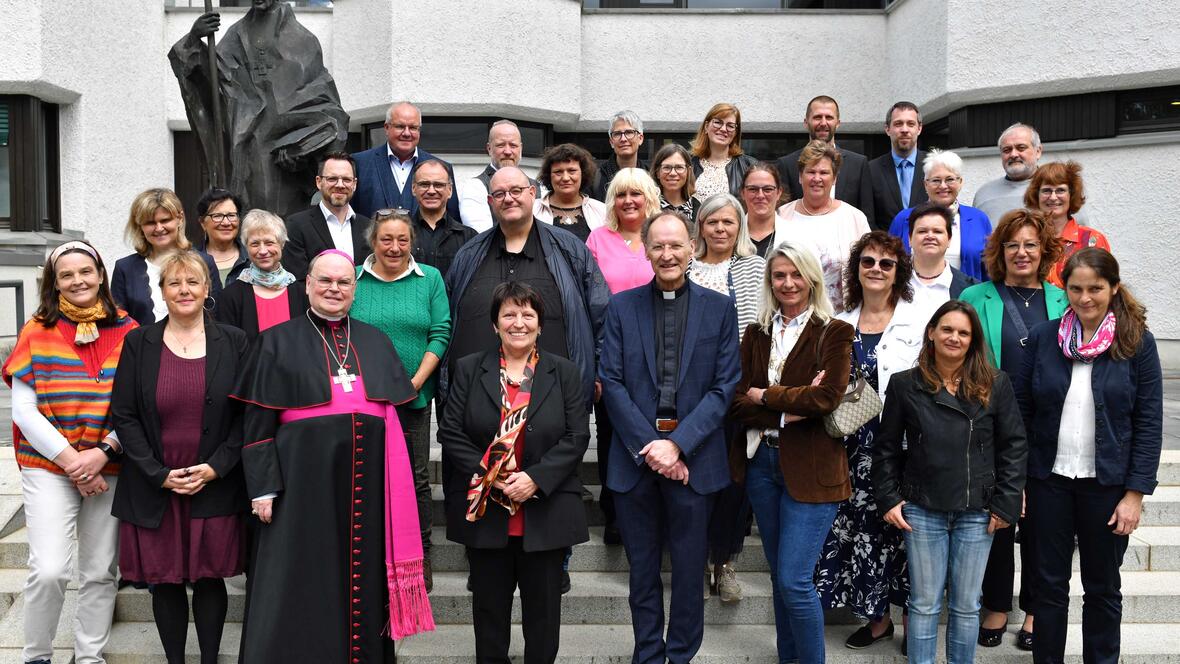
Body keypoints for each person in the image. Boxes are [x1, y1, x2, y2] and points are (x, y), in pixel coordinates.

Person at [231, 251, 433, 662]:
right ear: (306, 284)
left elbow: (396, 416)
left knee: (363, 580)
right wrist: (263, 486)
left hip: (370, 484)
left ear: (354, 290)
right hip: (300, 486)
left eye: (343, 283)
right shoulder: (276, 340)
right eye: (325, 281)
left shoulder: (375, 340)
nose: (333, 290)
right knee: (300, 580)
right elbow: (256, 424)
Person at [599, 210, 740, 664]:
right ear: (645, 248)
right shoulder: (621, 306)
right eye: (657, 245)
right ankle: (647, 655)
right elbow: (612, 382)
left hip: (695, 462)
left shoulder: (719, 308)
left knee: (687, 573)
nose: (667, 254)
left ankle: (680, 656)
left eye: (676, 245)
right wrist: (654, 448)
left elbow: (724, 387)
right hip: (635, 458)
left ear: (692, 246)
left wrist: (678, 444)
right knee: (641, 572)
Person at [1017, 248, 1163, 664]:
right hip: (1049, 481)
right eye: (1076, 289)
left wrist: (1135, 494)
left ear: (1113, 288)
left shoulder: (1137, 342)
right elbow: (1023, 412)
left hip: (1108, 485)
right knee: (1047, 587)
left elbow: (1149, 422)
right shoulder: (1045, 337)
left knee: (1102, 587)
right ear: (1065, 289)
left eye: (1095, 288)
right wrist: (1021, 481)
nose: (1085, 298)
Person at [439, 281, 590, 664]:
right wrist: (492, 475)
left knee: (543, 618)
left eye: (527, 314)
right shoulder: (470, 368)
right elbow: (450, 432)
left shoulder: (565, 372)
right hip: (488, 511)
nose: (518, 322)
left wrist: (536, 478)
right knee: (489, 616)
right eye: (509, 314)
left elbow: (577, 436)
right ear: (495, 325)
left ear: (540, 324)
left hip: (544, 511)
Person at [111, 251, 249, 664]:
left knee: (209, 579)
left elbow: (247, 414)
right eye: (175, 283)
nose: (184, 290)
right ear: (163, 292)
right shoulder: (138, 342)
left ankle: (209, 660)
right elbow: (124, 414)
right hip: (155, 481)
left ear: (208, 289)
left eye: (193, 282)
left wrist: (217, 466)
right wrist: (158, 473)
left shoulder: (235, 340)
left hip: (215, 479)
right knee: (164, 580)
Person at [3, 240, 137, 664]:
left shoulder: (129, 331)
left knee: (99, 572)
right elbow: (24, 411)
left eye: (86, 272)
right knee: (49, 570)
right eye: (67, 275)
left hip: (109, 463)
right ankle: (37, 656)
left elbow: (137, 407)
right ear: (54, 283)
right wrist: (76, 463)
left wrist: (103, 451)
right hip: (49, 464)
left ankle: (89, 657)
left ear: (100, 275)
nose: (78, 280)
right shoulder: (36, 331)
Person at [873, 299, 1027, 664]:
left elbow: (1015, 446)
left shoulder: (995, 383)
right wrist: (889, 499)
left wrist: (1006, 503)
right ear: (931, 333)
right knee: (924, 603)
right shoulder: (904, 385)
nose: (954, 338)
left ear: (973, 340)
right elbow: (885, 448)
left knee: (966, 605)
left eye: (963, 332)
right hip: (923, 509)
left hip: (978, 511)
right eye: (947, 329)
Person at [728, 240, 855, 664]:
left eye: (796, 274)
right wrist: (784, 410)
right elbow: (737, 402)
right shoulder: (756, 332)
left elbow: (828, 398)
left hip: (814, 467)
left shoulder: (834, 331)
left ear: (812, 279)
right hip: (763, 463)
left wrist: (767, 395)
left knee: (795, 580)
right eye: (779, 275)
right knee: (782, 580)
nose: (787, 283)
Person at [960, 208, 1065, 650]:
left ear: (1044, 251)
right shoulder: (976, 295)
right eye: (1012, 245)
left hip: (1051, 430)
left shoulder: (1062, 298)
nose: (1021, 253)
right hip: (991, 424)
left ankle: (1037, 611)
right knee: (996, 518)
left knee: (1046, 522)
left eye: (1030, 244)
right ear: (998, 251)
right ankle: (997, 604)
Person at [819, 231, 924, 651]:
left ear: (899, 272)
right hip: (850, 448)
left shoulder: (918, 322)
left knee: (906, 533)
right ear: (856, 270)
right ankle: (877, 619)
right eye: (868, 262)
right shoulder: (838, 324)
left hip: (903, 448)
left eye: (886, 263)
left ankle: (912, 619)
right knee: (864, 532)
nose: (876, 269)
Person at [444, 166, 609, 413]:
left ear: (533, 193)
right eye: (499, 194)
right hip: (476, 405)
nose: (508, 198)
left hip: (553, 403)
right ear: (490, 202)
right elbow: (446, 320)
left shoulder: (570, 250)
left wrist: (599, 370)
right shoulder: (469, 254)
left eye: (516, 190)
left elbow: (601, 311)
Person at [352, 209, 452, 592]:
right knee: (365, 476)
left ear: (413, 242)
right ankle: (369, 554)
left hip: (412, 398)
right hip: (362, 400)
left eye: (403, 240)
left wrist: (414, 383)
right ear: (372, 242)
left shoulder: (430, 280)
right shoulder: (355, 280)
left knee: (416, 478)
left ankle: (420, 557)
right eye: (386, 240)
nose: (394, 248)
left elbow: (440, 333)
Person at [170, 2, 349, 215]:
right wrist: (194, 40)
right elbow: (213, 83)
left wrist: (303, 152)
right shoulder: (236, 36)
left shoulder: (304, 40)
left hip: (287, 161)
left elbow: (327, 104)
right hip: (249, 150)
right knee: (251, 219)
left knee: (285, 225)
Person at [689, 193, 766, 601]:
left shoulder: (757, 268)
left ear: (740, 227)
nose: (720, 229)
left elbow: (765, 323)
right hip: (691, 392)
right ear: (700, 226)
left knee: (735, 478)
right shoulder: (684, 266)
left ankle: (726, 561)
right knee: (697, 476)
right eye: (712, 222)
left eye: (729, 222)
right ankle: (697, 557)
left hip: (739, 391)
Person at [584, 167, 662, 545]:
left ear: (650, 197)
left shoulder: (662, 236)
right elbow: (588, 305)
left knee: (652, 430)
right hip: (611, 355)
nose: (629, 201)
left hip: (659, 356)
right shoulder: (598, 239)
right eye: (620, 194)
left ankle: (651, 510)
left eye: (636, 194)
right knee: (613, 435)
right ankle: (614, 512)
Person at [776, 140, 872, 312]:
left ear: (834, 178)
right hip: (792, 319)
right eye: (810, 172)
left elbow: (869, 268)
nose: (817, 178)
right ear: (800, 176)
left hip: (842, 320)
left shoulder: (854, 218)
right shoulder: (781, 216)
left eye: (824, 172)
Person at [113, 188, 220, 326]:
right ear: (140, 226)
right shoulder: (125, 268)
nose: (158, 228)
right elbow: (118, 325)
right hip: (142, 347)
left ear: (179, 219)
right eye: (150, 223)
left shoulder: (205, 262)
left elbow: (216, 315)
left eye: (165, 220)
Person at [888, 149, 992, 281]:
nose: (943, 186)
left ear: (960, 182)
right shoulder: (904, 219)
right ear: (926, 184)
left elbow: (990, 268)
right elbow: (889, 262)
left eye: (950, 179)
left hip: (966, 299)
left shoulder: (979, 219)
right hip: (914, 297)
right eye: (936, 180)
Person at [775, 96, 874, 227]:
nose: (823, 123)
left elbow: (868, 217)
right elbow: (783, 215)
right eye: (817, 117)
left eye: (829, 117)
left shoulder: (859, 164)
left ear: (838, 123)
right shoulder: (787, 164)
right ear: (806, 122)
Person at [351, 101, 460, 219]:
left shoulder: (442, 169)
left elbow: (452, 221)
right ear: (387, 128)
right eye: (400, 126)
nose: (407, 133)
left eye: (413, 127)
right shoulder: (360, 163)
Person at [215, 209, 309, 341]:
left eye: (269, 243)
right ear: (246, 247)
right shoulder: (230, 296)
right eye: (255, 244)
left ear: (282, 244)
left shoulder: (302, 293)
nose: (263, 251)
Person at [283, 151, 373, 280]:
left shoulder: (368, 226)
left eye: (347, 179)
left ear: (354, 184)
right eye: (332, 179)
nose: (340, 185)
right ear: (319, 182)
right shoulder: (296, 225)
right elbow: (298, 281)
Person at [1024, 160, 1111, 287]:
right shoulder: (1025, 238)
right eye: (1046, 190)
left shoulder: (1091, 240)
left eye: (1060, 190)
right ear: (1036, 195)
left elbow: (1104, 288)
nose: (1053, 197)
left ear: (1072, 194)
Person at [460, 120, 541, 233]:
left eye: (513, 145)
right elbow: (481, 235)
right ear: (489, 149)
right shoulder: (475, 187)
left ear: (521, 149)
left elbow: (542, 231)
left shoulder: (538, 187)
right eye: (500, 145)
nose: (508, 151)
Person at [905, 203, 979, 321]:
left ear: (949, 239)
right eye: (922, 231)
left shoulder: (970, 289)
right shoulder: (891, 282)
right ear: (910, 239)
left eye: (937, 231)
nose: (930, 236)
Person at [409, 158, 477, 278]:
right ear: (414, 189)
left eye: (439, 185)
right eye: (424, 184)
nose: (431, 191)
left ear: (450, 190)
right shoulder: (401, 235)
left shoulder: (468, 238)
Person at [869, 102, 929, 228]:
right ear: (887, 129)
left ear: (919, 129)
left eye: (911, 124)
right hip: (886, 246)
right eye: (898, 124)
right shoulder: (871, 170)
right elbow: (869, 218)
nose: (904, 130)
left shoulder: (934, 165)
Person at [533, 143, 606, 242]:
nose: (565, 178)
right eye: (558, 172)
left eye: (572, 171)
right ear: (549, 175)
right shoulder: (532, 210)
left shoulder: (602, 211)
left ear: (583, 173)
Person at [690, 103, 757, 200]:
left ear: (735, 133)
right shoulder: (688, 164)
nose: (723, 129)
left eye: (730, 126)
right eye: (718, 122)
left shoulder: (749, 166)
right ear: (706, 127)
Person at [193, 187, 249, 288]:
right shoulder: (191, 261)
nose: (226, 223)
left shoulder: (252, 258)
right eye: (217, 216)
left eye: (231, 215)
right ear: (202, 223)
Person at [592, 110, 648, 201]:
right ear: (611, 142)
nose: (623, 139)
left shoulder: (651, 177)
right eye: (617, 134)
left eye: (629, 132)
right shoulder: (595, 179)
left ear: (640, 139)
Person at [740, 162, 790, 258]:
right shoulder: (731, 235)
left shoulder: (795, 235)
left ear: (779, 193)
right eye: (753, 189)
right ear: (743, 193)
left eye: (768, 189)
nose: (760, 195)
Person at [650, 143, 699, 221]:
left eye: (679, 167)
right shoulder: (647, 208)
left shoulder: (700, 211)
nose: (673, 173)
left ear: (688, 172)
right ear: (657, 172)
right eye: (666, 167)